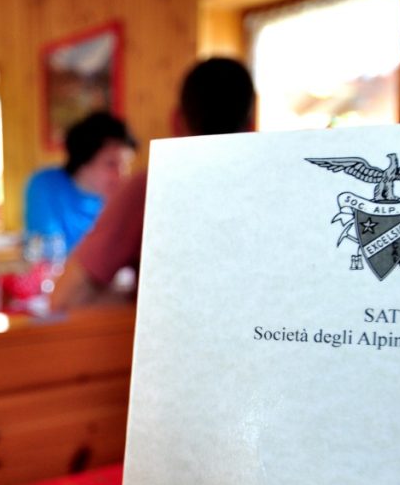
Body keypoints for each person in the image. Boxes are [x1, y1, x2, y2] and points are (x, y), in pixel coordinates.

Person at [51, 57, 256, 311]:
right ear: (251, 124)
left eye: (123, 164)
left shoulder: (152, 188)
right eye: (110, 164)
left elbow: (64, 297)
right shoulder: (274, 191)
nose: (119, 174)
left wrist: (140, 299)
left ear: (176, 121)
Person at [24, 111, 137, 253]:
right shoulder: (45, 185)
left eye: (126, 165)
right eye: (111, 164)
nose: (121, 175)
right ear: (83, 160)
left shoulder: (118, 199)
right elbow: (49, 252)